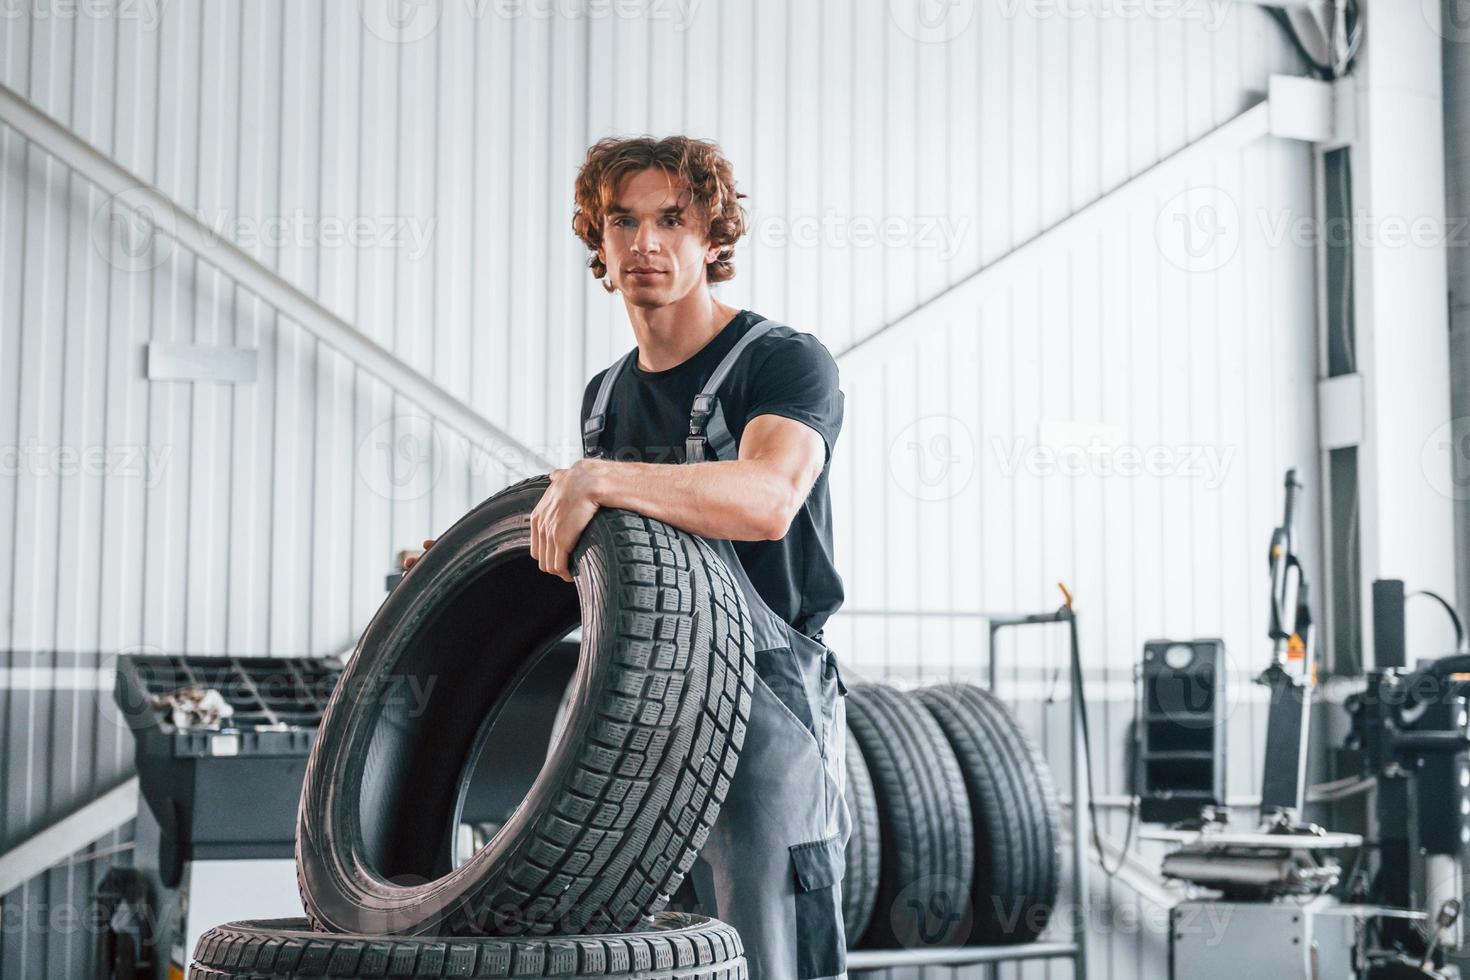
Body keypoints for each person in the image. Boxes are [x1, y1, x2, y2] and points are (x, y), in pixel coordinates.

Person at [415, 135, 851, 980]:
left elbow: (767, 501)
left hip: (767, 696)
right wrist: (471, 571)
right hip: (640, 700)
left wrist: (597, 477)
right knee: (650, 945)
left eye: (672, 220)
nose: (645, 242)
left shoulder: (783, 362)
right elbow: (615, 559)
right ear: (599, 241)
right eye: (624, 221)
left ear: (713, 240)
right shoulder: (606, 397)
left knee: (772, 939)